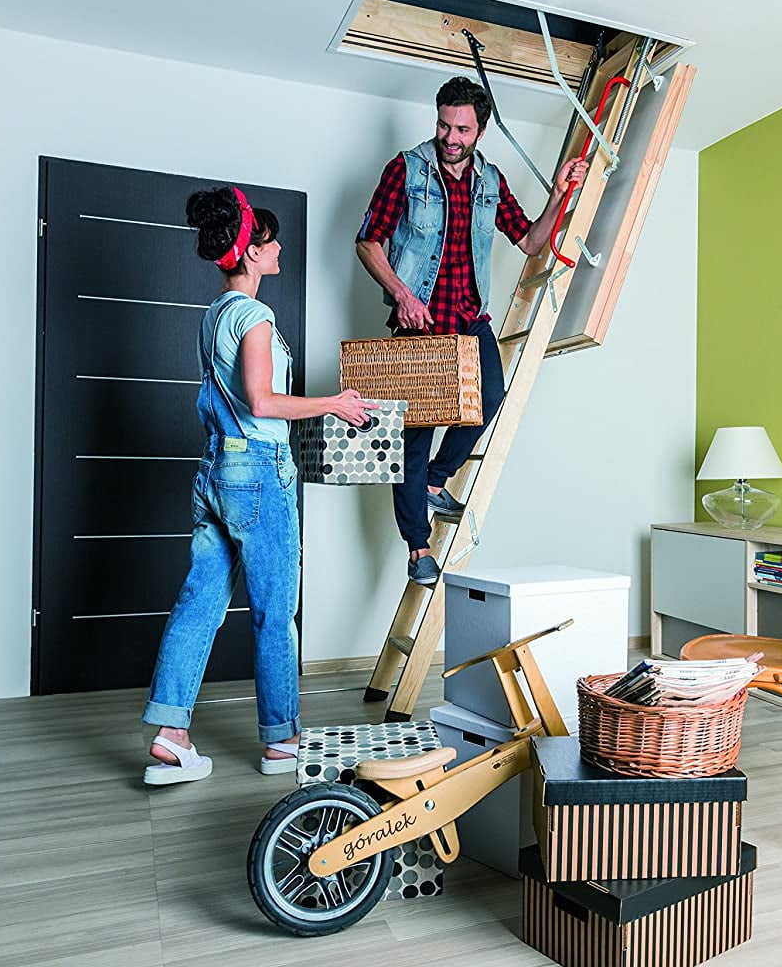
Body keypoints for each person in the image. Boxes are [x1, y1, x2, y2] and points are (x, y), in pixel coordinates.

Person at [141, 186, 377, 786]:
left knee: (200, 602)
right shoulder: (255, 317)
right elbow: (263, 401)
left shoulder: (214, 315)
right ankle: (282, 741)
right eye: (270, 242)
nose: (278, 249)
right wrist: (335, 403)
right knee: (275, 612)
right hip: (258, 474)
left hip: (215, 470)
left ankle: (171, 735)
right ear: (250, 252)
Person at [355, 76, 589, 586]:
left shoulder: (490, 181)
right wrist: (403, 295)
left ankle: (435, 482)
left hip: (468, 320)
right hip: (420, 323)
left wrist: (560, 194)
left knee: (490, 397)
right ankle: (418, 550)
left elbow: (530, 242)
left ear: (480, 131)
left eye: (461, 129)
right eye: (444, 125)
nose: (450, 137)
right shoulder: (406, 170)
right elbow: (368, 242)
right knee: (413, 439)